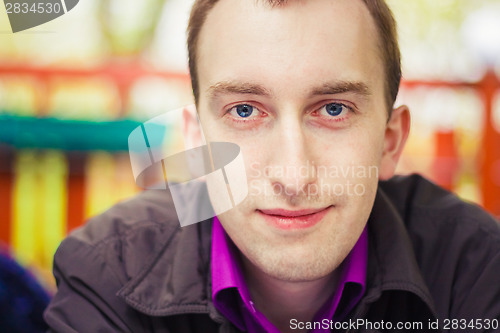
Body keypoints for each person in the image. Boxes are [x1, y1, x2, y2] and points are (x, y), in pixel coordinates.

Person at [44, 0, 500, 332]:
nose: (293, 175)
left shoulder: (475, 267)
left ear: (389, 141)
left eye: (334, 109)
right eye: (245, 111)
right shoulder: (108, 272)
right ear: (197, 141)